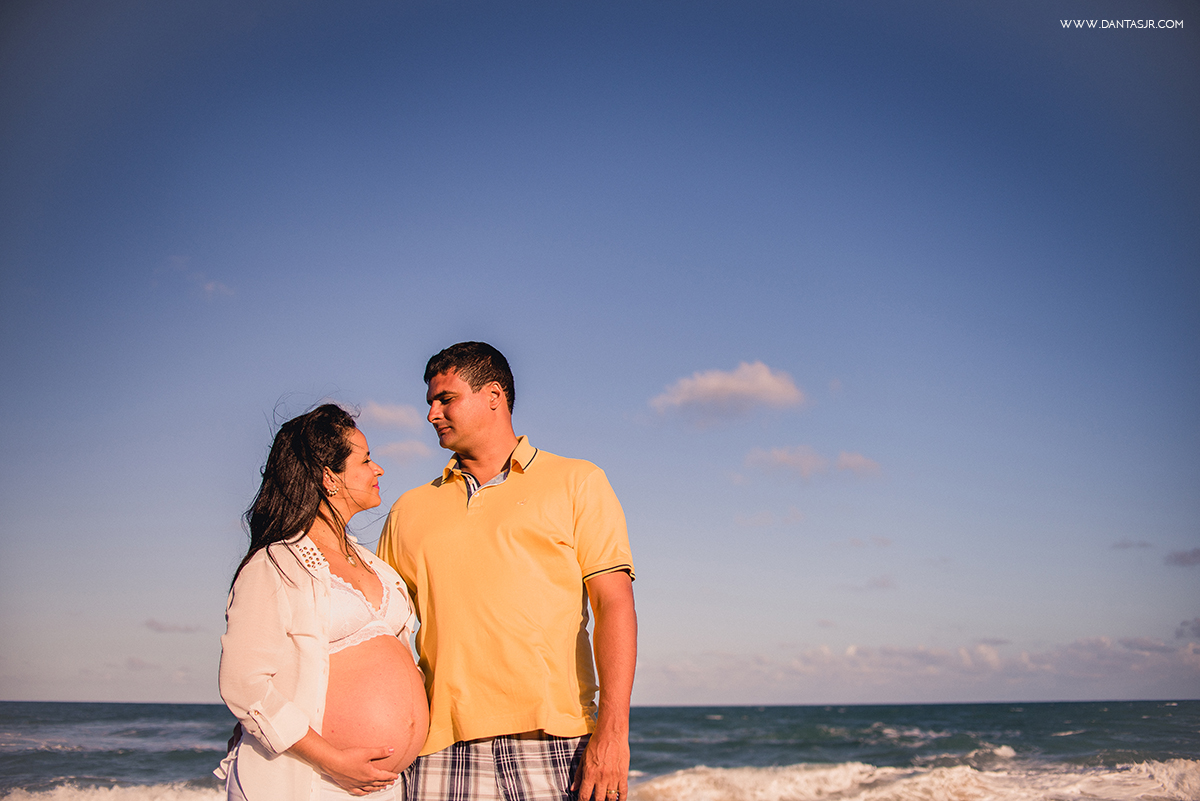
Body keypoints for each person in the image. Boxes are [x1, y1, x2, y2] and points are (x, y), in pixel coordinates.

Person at [377, 342, 637, 801]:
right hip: (439, 749)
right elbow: (381, 632)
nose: (433, 414)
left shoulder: (578, 482)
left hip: (557, 742)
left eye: (446, 399)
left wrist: (613, 734)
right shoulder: (408, 509)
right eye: (430, 403)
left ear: (494, 395)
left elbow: (613, 603)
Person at [217, 404, 429, 800]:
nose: (377, 469)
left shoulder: (376, 567)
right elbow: (244, 685)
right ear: (329, 477)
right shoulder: (276, 565)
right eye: (365, 460)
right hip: (312, 782)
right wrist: (332, 761)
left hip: (384, 788)